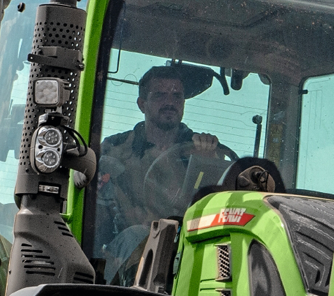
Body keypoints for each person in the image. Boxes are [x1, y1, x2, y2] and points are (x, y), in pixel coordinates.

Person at [93, 63, 236, 276]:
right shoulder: (115, 148)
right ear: (142, 104)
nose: (170, 102)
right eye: (160, 95)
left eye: (177, 96)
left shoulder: (203, 150)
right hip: (127, 249)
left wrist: (208, 163)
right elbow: (95, 205)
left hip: (186, 244)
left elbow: (215, 211)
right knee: (137, 235)